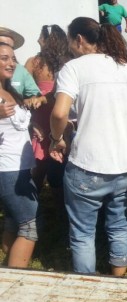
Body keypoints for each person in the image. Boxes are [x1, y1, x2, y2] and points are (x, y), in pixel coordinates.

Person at [49, 17, 127, 275]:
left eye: (71, 40)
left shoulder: (73, 68)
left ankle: (87, 286)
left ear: (78, 39)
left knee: (83, 233)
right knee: (119, 226)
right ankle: (117, 281)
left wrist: (56, 139)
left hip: (87, 165)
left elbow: (59, 114)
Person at [0, 41, 39, 268]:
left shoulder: (9, 89)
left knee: (14, 221)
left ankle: (8, 268)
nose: (11, 63)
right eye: (4, 58)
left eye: (12, 58)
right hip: (7, 170)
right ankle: (15, 283)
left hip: (20, 168)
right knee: (29, 225)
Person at [24, 25, 72, 193]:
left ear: (48, 40)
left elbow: (20, 88)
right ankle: (59, 198)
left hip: (42, 113)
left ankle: (35, 200)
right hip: (61, 112)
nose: (37, 40)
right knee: (62, 158)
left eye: (40, 37)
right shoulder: (67, 63)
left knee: (40, 163)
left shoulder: (33, 62)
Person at [0, 27, 41, 117]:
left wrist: (30, 101)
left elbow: (35, 95)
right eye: (4, 58)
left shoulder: (20, 70)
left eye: (10, 47)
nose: (11, 63)